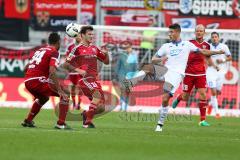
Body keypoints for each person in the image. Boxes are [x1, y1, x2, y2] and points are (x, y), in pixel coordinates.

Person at [122, 23, 224, 132]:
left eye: (171, 32)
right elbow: (153, 58)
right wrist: (161, 59)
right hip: (166, 70)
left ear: (178, 33)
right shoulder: (166, 46)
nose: (169, 34)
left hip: (176, 75)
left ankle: (160, 124)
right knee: (148, 67)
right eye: (169, 32)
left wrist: (217, 52)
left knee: (165, 99)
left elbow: (203, 51)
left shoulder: (187, 44)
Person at [22, 33, 76, 129]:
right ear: (58, 42)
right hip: (38, 81)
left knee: (44, 98)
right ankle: (61, 123)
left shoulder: (40, 50)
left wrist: (31, 83)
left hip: (28, 81)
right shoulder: (54, 52)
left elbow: (26, 68)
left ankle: (28, 121)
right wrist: (59, 89)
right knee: (65, 93)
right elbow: (52, 71)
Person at [67, 25, 109, 128]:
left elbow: (106, 62)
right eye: (89, 34)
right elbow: (67, 64)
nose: (91, 36)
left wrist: (106, 54)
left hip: (95, 80)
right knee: (97, 96)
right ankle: (87, 122)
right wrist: (79, 70)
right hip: (84, 79)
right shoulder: (77, 49)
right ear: (82, 35)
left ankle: (86, 115)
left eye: (92, 34)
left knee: (101, 108)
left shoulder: (95, 48)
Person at [171, 24, 211, 126]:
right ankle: (178, 98)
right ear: (195, 32)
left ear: (204, 32)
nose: (199, 32)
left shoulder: (207, 45)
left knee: (203, 94)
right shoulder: (189, 43)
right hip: (189, 73)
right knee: (185, 96)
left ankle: (202, 120)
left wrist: (213, 65)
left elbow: (207, 58)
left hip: (201, 73)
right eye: (197, 31)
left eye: (201, 31)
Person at [206, 32, 232, 118]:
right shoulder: (208, 47)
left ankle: (210, 105)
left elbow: (230, 57)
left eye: (216, 37)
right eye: (212, 37)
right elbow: (207, 59)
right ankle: (217, 113)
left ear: (218, 38)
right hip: (210, 71)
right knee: (213, 91)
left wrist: (223, 60)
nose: (214, 38)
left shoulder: (224, 47)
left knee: (217, 92)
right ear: (211, 38)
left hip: (221, 72)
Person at [115, 40, 138, 111]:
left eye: (128, 47)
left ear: (131, 47)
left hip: (130, 77)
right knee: (123, 90)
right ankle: (122, 106)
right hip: (122, 75)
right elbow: (117, 66)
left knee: (128, 92)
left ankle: (125, 107)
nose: (127, 48)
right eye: (126, 47)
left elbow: (135, 68)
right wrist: (117, 75)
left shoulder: (134, 56)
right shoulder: (121, 55)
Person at [65, 33, 82, 110]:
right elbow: (67, 58)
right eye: (77, 36)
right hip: (72, 70)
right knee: (72, 88)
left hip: (81, 71)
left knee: (80, 87)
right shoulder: (70, 46)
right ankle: (74, 104)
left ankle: (79, 104)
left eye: (80, 36)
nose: (79, 37)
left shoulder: (85, 46)